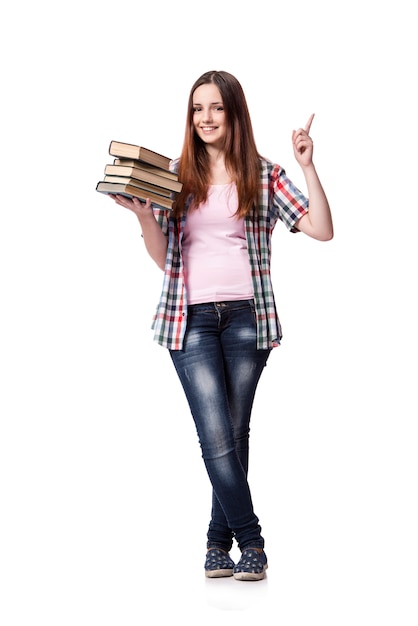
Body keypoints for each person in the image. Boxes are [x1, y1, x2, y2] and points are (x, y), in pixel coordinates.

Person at [108, 70, 333, 581]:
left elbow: (322, 229)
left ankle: (216, 543)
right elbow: (166, 260)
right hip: (189, 320)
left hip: (249, 320)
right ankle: (251, 541)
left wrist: (308, 166)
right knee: (216, 435)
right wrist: (143, 217)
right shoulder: (174, 176)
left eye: (215, 108)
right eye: (197, 109)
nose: (205, 118)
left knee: (232, 433)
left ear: (233, 113)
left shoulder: (263, 174)